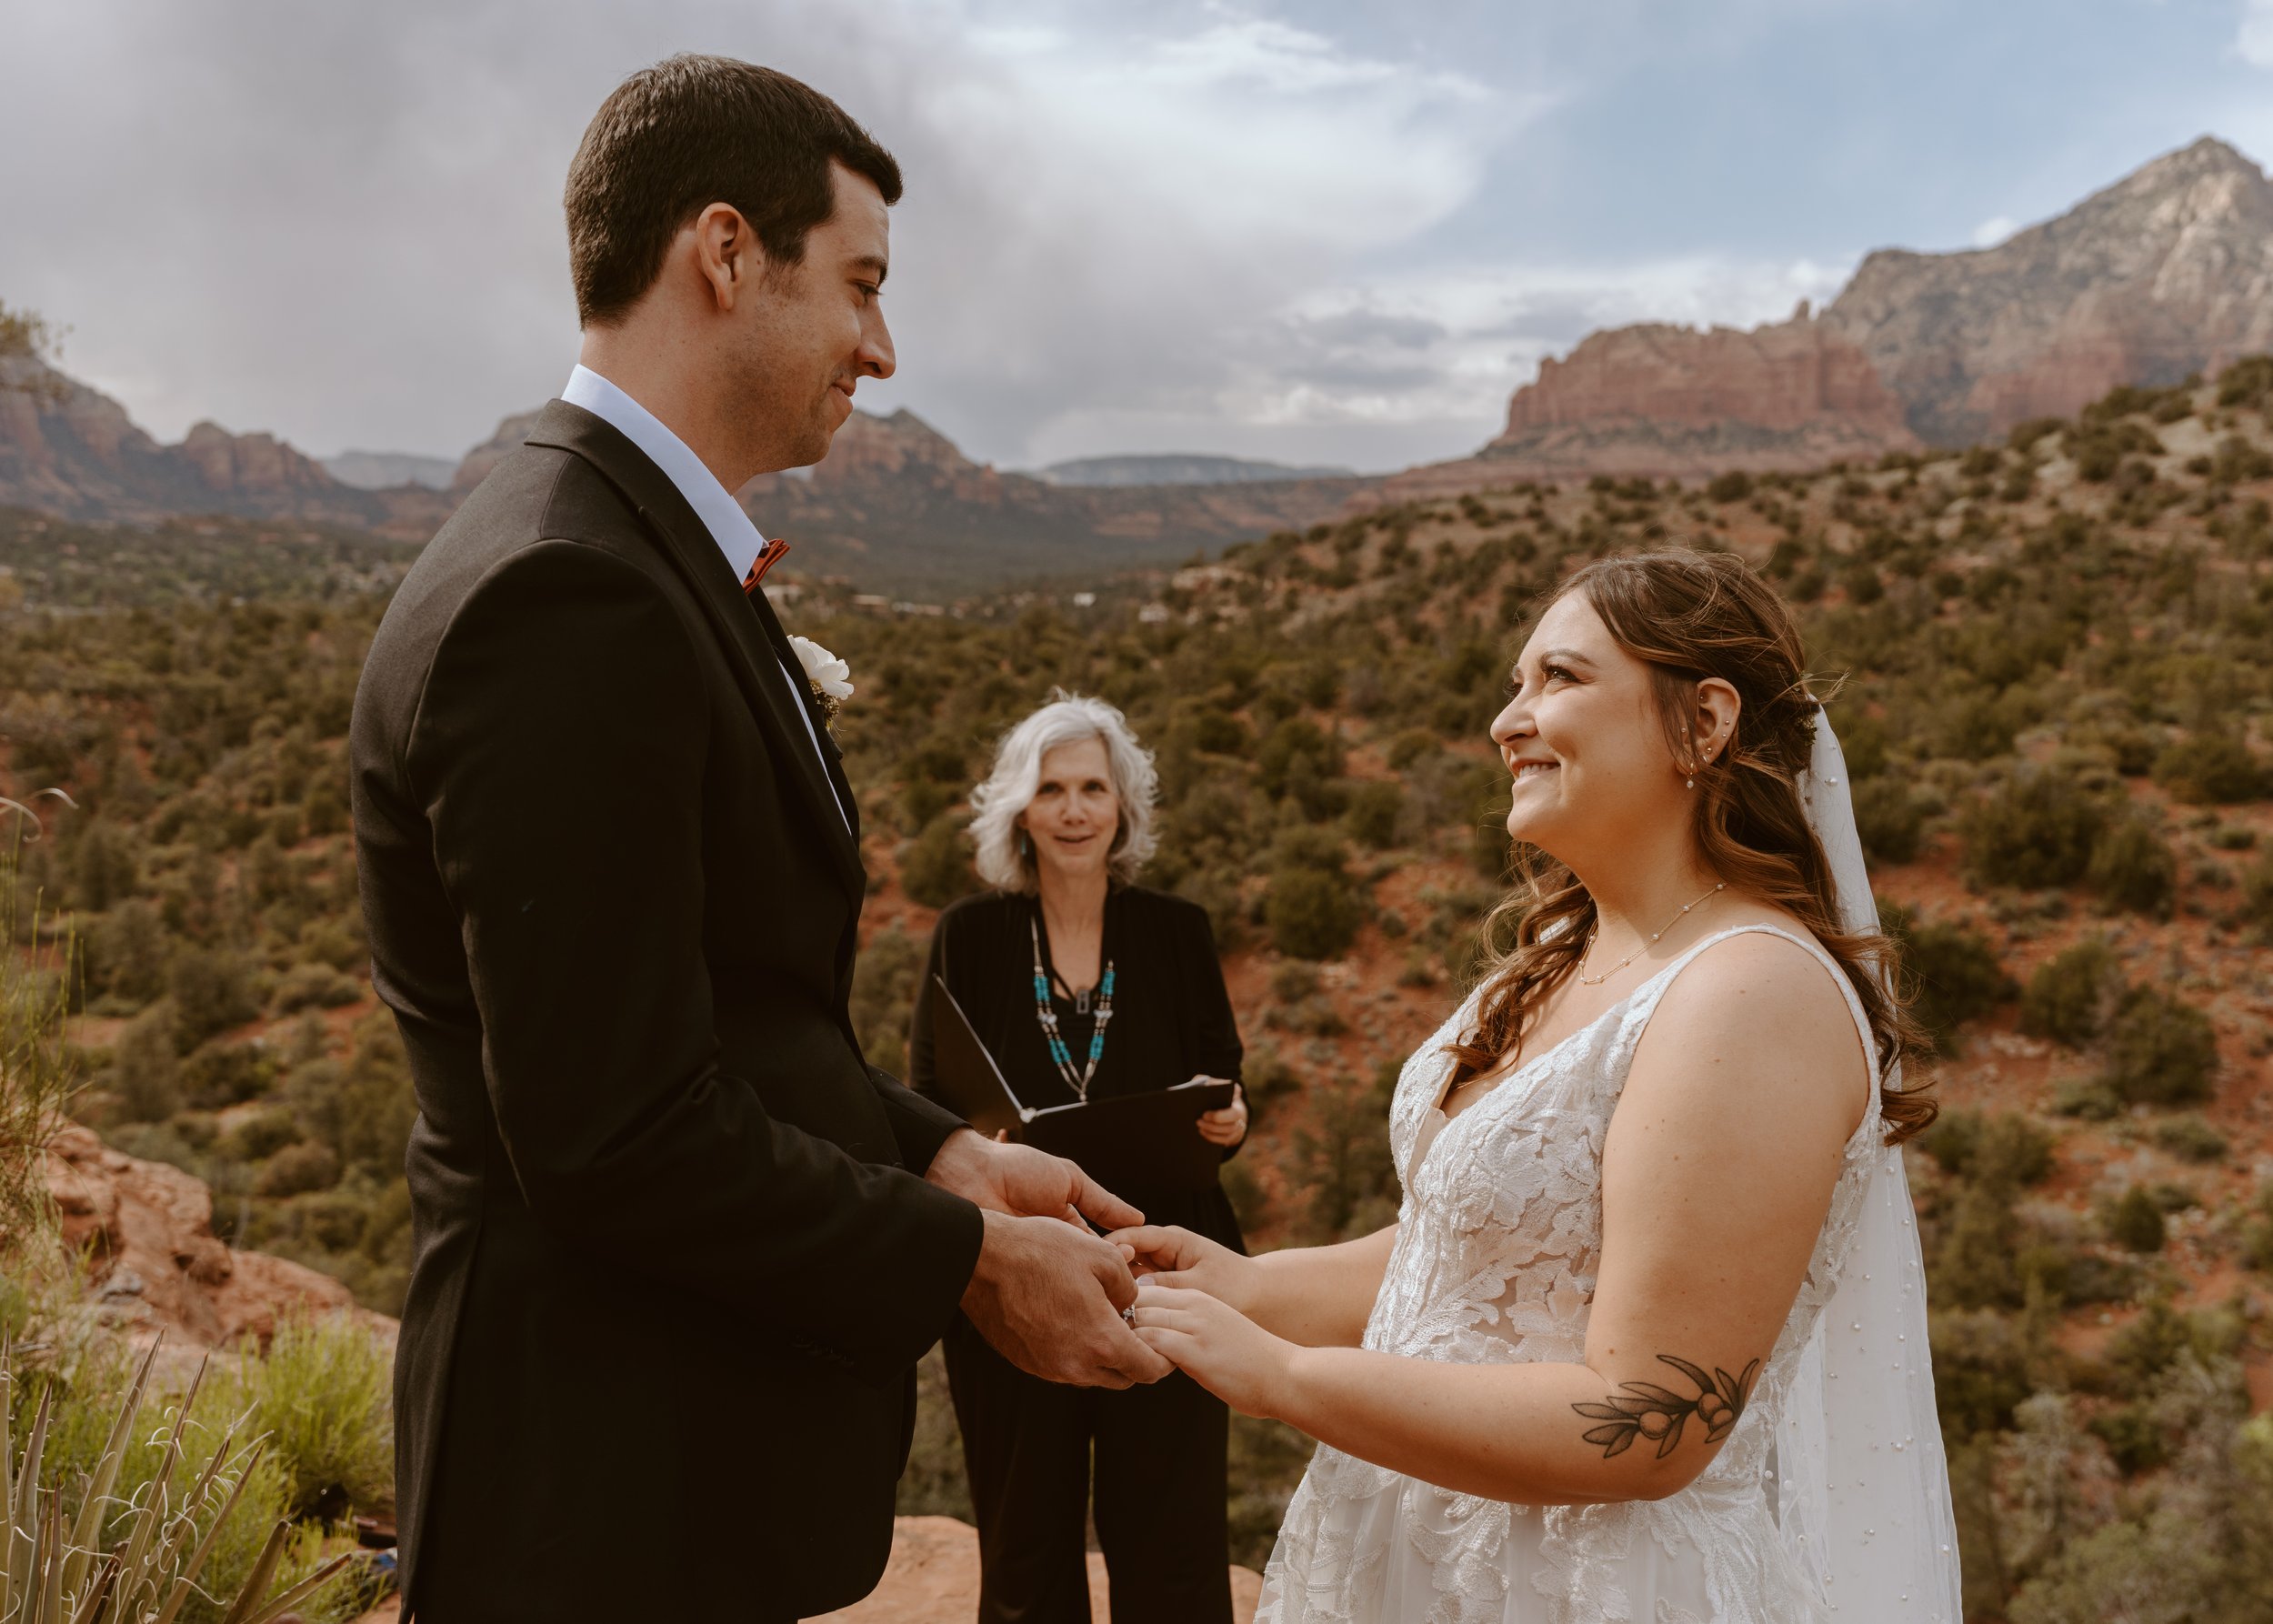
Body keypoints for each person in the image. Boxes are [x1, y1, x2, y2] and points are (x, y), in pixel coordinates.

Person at [349, 57, 1168, 1624]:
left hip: (664, 1471)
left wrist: (941, 1145)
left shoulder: (619, 546)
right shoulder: (565, 594)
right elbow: (615, 1134)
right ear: (725, 254)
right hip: (598, 1494)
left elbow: (720, 1006)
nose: (882, 344)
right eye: (859, 284)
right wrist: (968, 1259)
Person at [1116, 549, 1963, 1623]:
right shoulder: (1560, 959)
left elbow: (1649, 1423)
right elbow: (1472, 1255)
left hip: (1591, 1587)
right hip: (1419, 1556)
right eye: (1515, 684)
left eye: (1557, 678)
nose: (1506, 720)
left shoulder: (1751, 994)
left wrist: (1281, 1378)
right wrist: (1238, 1286)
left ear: (1703, 722)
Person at [910, 693, 1250, 1624]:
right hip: (1016, 1258)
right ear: (1019, 807)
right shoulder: (970, 935)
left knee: (1173, 1529)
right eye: (1051, 788)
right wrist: (982, 1150)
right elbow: (930, 1093)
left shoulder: (1175, 928)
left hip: (1165, 1258)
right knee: (1024, 1532)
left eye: (1092, 787)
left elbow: (1220, 1072)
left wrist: (1234, 1119)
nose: (1072, 809)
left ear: (1122, 805)